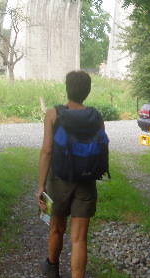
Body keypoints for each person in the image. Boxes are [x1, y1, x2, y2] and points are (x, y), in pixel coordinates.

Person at [37, 70, 104, 278]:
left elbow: (47, 151)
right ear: (88, 91)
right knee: (79, 239)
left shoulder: (53, 114)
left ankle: (52, 268)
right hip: (86, 180)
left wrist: (41, 187)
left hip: (58, 180)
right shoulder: (96, 116)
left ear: (67, 89)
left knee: (56, 229)